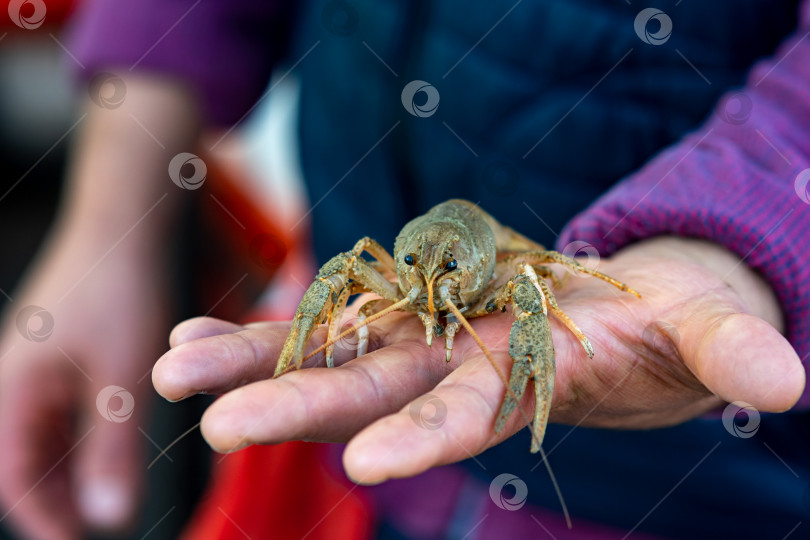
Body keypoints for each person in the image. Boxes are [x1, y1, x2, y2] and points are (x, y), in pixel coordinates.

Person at [1, 0, 809, 538]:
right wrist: (106, 229)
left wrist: (730, 233)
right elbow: (350, 269)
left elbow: (538, 278)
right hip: (362, 479)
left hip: (689, 496)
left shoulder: (503, 279)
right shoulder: (388, 277)